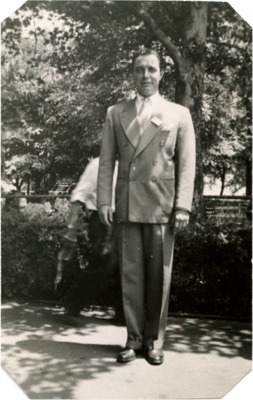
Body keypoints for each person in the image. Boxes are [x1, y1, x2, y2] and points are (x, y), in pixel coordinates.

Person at [97, 48, 196, 365]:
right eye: (139, 69)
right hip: (127, 205)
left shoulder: (178, 113)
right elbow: (107, 162)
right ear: (132, 74)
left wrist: (182, 206)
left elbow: (187, 164)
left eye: (151, 69)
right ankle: (133, 338)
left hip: (162, 208)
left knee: (159, 278)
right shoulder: (116, 112)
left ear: (161, 73)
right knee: (132, 277)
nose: (145, 75)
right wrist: (103, 200)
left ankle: (154, 341)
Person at [56, 157, 123, 322]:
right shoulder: (98, 164)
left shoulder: (131, 164)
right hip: (101, 220)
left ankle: (123, 316)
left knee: (124, 266)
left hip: (124, 221)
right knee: (104, 263)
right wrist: (71, 227)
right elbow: (79, 195)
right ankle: (72, 306)